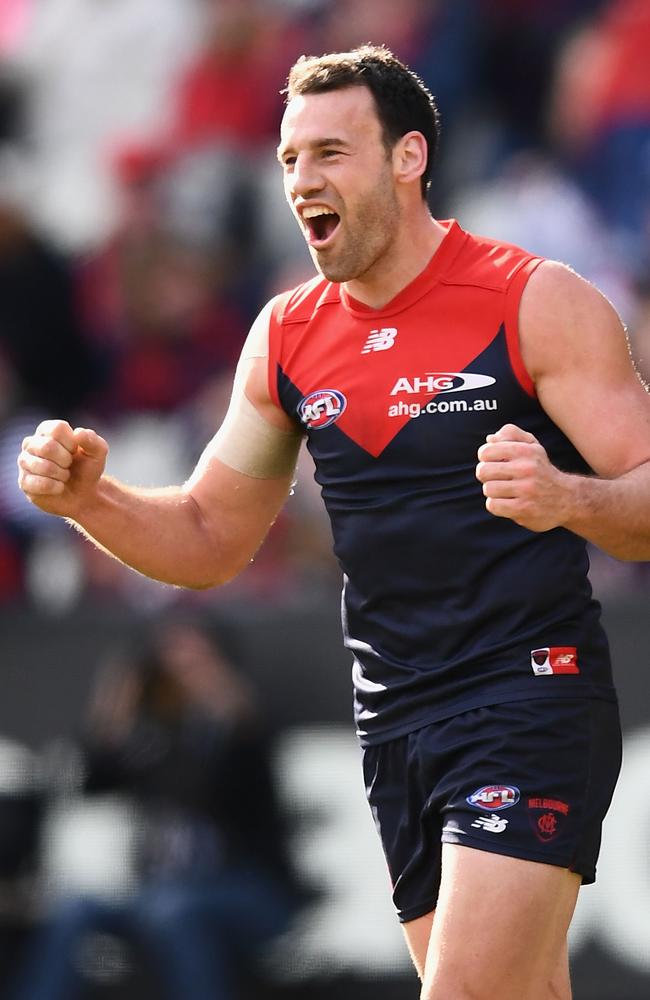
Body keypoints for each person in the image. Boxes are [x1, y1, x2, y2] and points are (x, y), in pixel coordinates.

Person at [16, 44, 650, 1000]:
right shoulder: (285, 334)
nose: (302, 181)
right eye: (288, 160)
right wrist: (86, 502)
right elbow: (207, 539)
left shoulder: (533, 301)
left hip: (529, 696)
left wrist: (574, 499)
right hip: (396, 721)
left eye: (330, 154)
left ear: (408, 157)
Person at [10, 621, 302, 1000]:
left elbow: (214, 786)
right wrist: (116, 708)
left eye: (194, 663)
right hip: (157, 893)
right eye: (170, 665)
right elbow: (88, 781)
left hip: (250, 889)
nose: (182, 676)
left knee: (174, 908)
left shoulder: (243, 730)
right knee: (75, 910)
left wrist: (224, 710)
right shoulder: (151, 739)